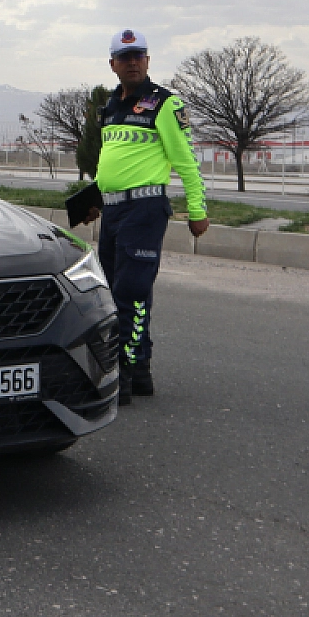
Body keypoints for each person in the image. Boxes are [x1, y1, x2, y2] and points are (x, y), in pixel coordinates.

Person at [82, 30, 210, 406]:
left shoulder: (165, 104)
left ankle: (120, 374)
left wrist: (197, 210)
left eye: (139, 55)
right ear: (113, 65)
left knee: (130, 292)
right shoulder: (109, 106)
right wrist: (93, 199)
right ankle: (141, 372)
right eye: (125, 57)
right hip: (113, 210)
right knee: (118, 291)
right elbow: (107, 162)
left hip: (145, 209)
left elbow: (186, 161)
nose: (133, 62)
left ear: (148, 61)